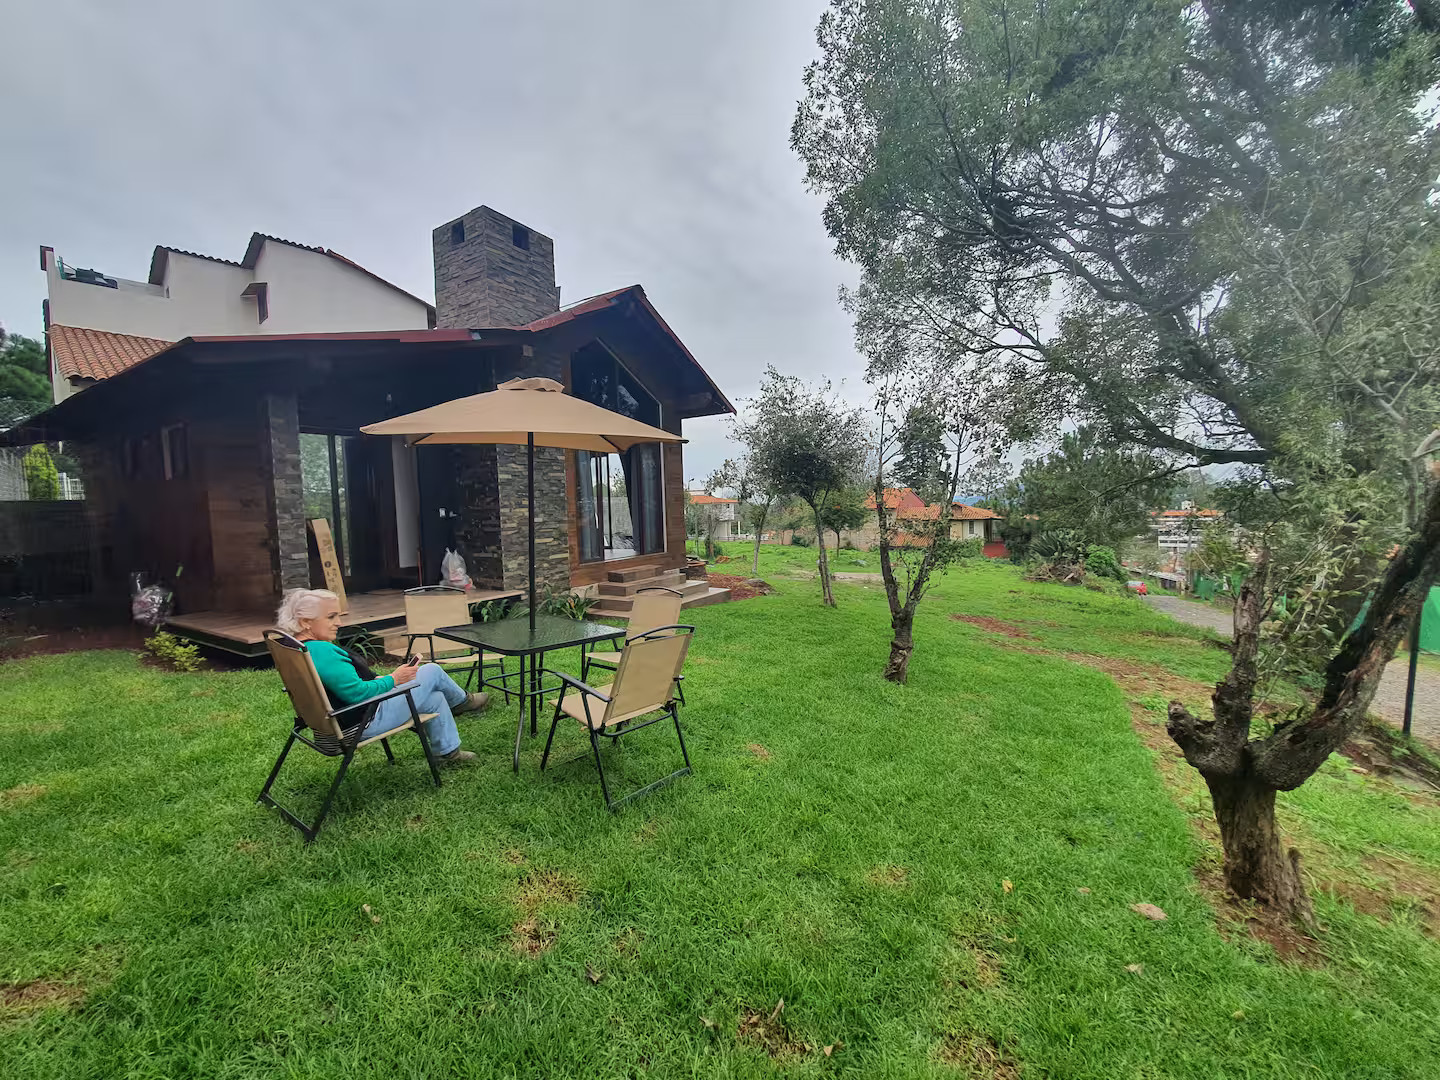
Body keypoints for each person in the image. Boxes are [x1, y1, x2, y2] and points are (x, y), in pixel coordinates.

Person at [275, 588, 488, 765]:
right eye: (331, 617)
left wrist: (380, 680)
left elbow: (340, 687)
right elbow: (357, 694)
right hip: (361, 724)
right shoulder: (322, 652)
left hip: (331, 728)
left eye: (338, 615)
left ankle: (448, 753)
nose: (338, 622)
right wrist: (394, 679)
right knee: (432, 670)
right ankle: (463, 702)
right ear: (305, 622)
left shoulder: (293, 648)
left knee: (435, 697)